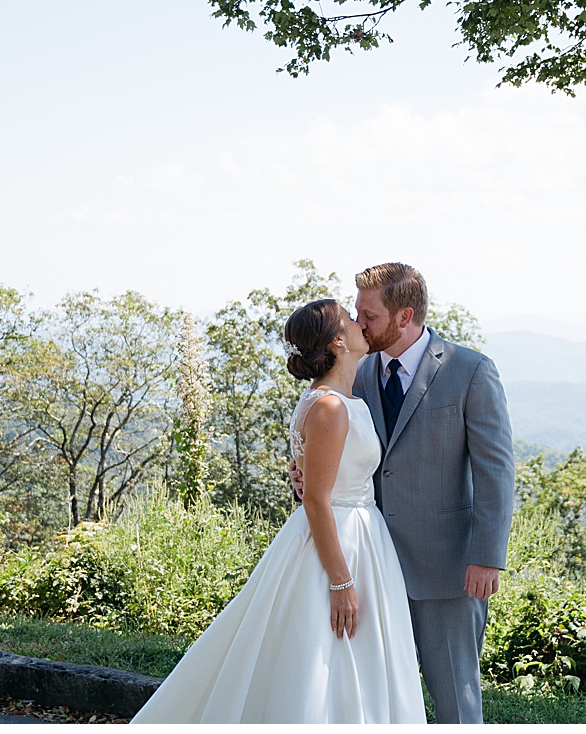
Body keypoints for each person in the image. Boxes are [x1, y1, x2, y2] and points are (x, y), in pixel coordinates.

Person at [131, 299, 425, 724]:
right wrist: (341, 582)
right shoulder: (329, 407)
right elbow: (317, 499)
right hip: (338, 544)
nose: (362, 323)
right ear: (339, 341)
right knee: (321, 661)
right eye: (352, 317)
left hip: (363, 539)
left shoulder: (346, 400)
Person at [293, 263, 516, 724]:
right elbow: (329, 447)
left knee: (456, 697)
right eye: (356, 312)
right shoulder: (354, 370)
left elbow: (496, 470)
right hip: (370, 564)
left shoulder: (470, 371)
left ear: (404, 315)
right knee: (377, 698)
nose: (359, 322)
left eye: (368, 315)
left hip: (447, 567)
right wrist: (303, 477)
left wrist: (487, 556)